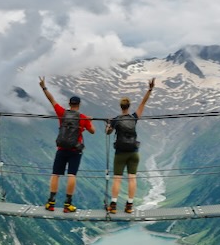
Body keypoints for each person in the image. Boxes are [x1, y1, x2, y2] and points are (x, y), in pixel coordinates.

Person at [40, 77, 95, 212]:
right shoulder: (82, 117)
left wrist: (44, 87)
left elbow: (52, 100)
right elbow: (92, 131)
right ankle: (67, 204)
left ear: (69, 104)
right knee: (71, 175)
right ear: (79, 105)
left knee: (55, 174)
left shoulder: (62, 113)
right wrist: (88, 120)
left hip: (62, 148)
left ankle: (51, 203)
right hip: (75, 150)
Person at [106, 78, 155, 214]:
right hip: (134, 152)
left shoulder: (116, 120)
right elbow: (143, 103)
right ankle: (129, 206)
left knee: (117, 178)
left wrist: (109, 124)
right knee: (132, 178)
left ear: (120, 106)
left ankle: (114, 206)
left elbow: (108, 133)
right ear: (129, 106)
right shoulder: (134, 117)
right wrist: (150, 89)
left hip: (120, 153)